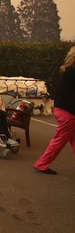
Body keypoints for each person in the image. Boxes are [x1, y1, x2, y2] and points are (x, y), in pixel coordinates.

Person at [33, 46, 75, 175]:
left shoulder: (67, 71)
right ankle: (41, 164)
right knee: (59, 141)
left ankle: (42, 164)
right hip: (68, 112)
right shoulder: (72, 73)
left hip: (62, 109)